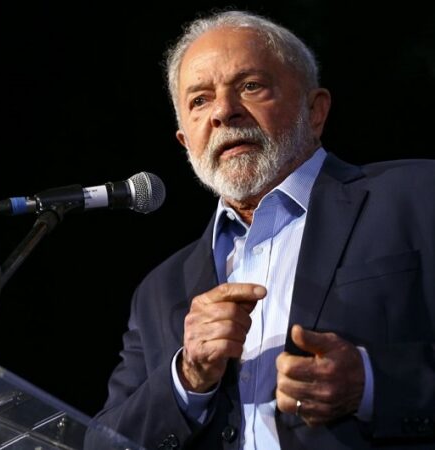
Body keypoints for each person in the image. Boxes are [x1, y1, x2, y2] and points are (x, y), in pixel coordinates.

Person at [89, 10, 435, 450]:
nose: (223, 111)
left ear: (315, 111)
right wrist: (188, 379)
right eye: (200, 100)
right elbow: (103, 442)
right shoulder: (160, 290)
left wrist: (372, 383)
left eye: (251, 86)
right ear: (185, 142)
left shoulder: (418, 197)